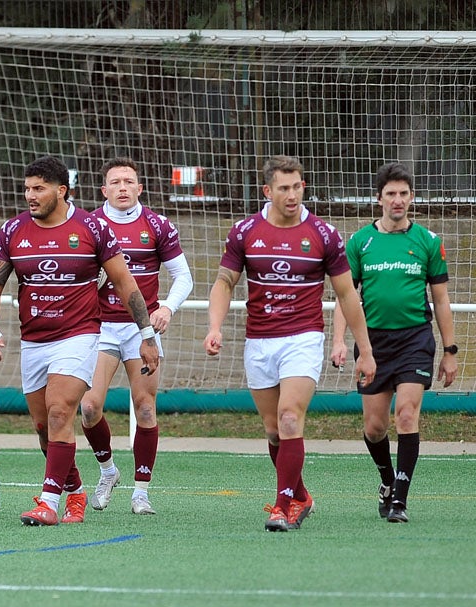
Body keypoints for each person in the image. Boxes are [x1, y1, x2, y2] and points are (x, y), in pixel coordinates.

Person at [0, 156, 159, 526]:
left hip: (79, 336)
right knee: (45, 430)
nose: (30, 195)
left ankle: (47, 503)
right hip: (33, 340)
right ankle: (74, 490)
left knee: (62, 411)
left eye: (38, 188)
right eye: (28, 188)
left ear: (61, 191)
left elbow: (126, 283)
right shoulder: (12, 230)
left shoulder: (92, 228)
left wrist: (147, 335)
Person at [203, 154, 376, 532]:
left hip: (304, 337)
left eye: (297, 186)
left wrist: (365, 350)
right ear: (267, 191)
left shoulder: (324, 234)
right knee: (272, 429)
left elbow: (347, 294)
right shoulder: (245, 231)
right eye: (284, 187)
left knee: (289, 417)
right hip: (260, 340)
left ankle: (282, 507)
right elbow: (224, 282)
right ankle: (300, 495)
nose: (292, 194)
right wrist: (214, 326)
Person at [329, 161, 457, 524]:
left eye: (404, 193)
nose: (398, 200)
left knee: (406, 414)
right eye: (391, 194)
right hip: (372, 345)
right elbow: (345, 296)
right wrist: (339, 340)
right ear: (379, 198)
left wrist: (450, 351)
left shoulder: (428, 242)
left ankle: (400, 500)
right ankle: (387, 480)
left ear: (412, 197)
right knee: (374, 426)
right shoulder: (360, 242)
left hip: (415, 339)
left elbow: (442, 300)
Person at [81, 157, 194, 515]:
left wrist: (166, 309)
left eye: (129, 181)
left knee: (145, 408)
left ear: (140, 188)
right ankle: (108, 471)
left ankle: (141, 492)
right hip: (98, 327)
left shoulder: (158, 225)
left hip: (141, 331)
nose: (123, 188)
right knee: (88, 407)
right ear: (104, 190)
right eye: (115, 182)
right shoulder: (88, 225)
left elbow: (184, 277)